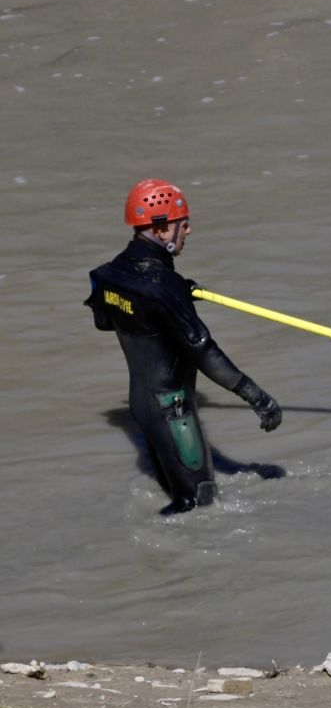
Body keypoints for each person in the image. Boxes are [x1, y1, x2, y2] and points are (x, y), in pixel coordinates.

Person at [85, 180, 282, 516]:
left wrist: (176, 297)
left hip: (142, 406)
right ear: (162, 230)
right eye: (182, 223)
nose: (188, 230)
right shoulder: (165, 287)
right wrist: (257, 397)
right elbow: (204, 352)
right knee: (198, 503)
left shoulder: (106, 275)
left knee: (174, 492)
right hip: (174, 410)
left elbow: (105, 322)